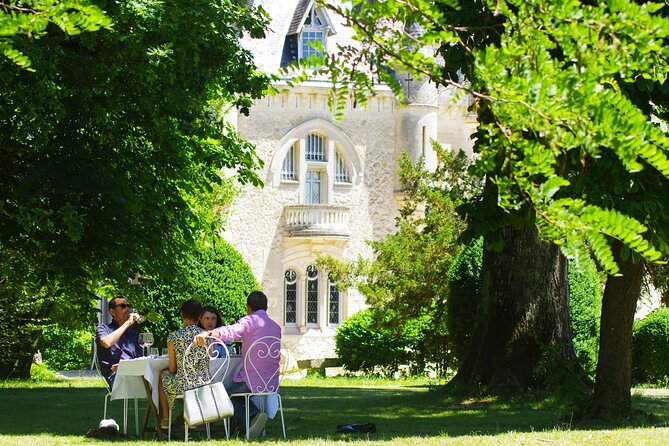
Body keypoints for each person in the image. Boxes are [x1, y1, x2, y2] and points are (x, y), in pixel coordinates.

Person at [193, 290, 281, 439]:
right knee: (232, 392)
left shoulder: (249, 321)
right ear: (266, 307)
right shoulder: (275, 327)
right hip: (271, 384)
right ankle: (249, 422)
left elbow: (230, 331)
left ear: (248, 307)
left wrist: (208, 334)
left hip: (252, 381)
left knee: (222, 392)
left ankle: (252, 418)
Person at [158, 299, 209, 428]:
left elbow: (173, 368)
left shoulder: (174, 337)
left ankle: (165, 417)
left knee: (162, 375)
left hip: (184, 384)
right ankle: (193, 414)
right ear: (199, 317)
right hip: (204, 384)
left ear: (181, 314)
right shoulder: (206, 336)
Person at [96, 295, 142, 387]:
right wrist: (127, 324)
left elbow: (139, 359)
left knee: (160, 377)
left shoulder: (133, 333)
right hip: (116, 377)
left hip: (133, 372)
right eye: (123, 306)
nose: (127, 309)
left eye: (128, 306)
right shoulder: (103, 328)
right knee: (156, 382)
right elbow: (106, 343)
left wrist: (126, 366)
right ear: (112, 311)